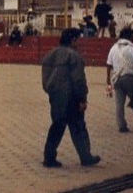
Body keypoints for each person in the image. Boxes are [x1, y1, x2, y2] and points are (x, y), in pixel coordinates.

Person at [41, 28, 101, 168]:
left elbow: (45, 81)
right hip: (72, 97)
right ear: (73, 40)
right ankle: (86, 156)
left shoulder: (49, 55)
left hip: (55, 96)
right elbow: (79, 80)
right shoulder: (74, 56)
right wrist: (82, 98)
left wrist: (52, 92)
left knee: (57, 126)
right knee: (78, 126)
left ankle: (49, 158)